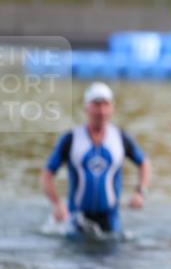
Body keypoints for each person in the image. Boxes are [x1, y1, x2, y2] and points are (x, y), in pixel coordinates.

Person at [41, 82, 150, 239]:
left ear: (112, 108)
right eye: (97, 105)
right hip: (78, 219)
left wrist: (140, 192)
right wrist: (57, 204)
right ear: (87, 108)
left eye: (106, 105)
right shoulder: (71, 139)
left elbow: (144, 163)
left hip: (110, 221)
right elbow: (47, 174)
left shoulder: (119, 138)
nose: (101, 111)